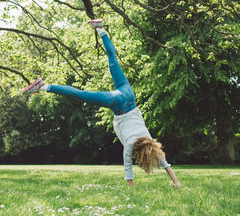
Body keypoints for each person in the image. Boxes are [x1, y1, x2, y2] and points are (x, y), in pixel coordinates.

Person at [22, 19, 181, 188]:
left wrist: (176, 181)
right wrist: (132, 189)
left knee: (113, 59)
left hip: (129, 95)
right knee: (82, 94)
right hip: (119, 105)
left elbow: (164, 162)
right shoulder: (129, 146)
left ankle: (100, 28)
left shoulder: (149, 139)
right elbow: (128, 171)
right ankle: (44, 87)